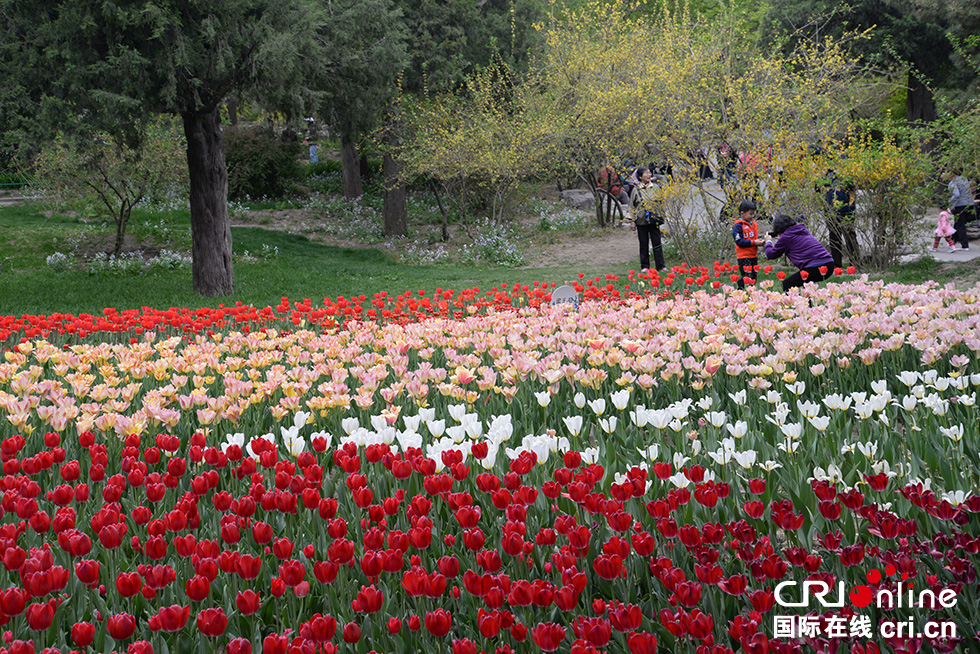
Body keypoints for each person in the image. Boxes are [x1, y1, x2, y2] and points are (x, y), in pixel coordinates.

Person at [764, 214, 836, 292]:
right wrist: (782, 239)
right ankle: (808, 303)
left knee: (788, 284)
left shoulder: (786, 237)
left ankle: (796, 303)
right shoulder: (802, 231)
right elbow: (795, 241)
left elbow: (770, 254)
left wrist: (768, 242)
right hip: (829, 264)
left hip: (815, 267)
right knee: (808, 286)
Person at [629, 167, 666, 272]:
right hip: (641, 221)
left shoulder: (656, 187)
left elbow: (661, 203)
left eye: (649, 173)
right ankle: (645, 266)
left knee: (657, 243)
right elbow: (632, 206)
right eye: (646, 173)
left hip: (654, 220)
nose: (648, 175)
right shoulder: (636, 190)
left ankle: (661, 266)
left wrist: (661, 216)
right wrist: (632, 221)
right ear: (640, 177)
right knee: (643, 244)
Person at [823, 169, 859, 268]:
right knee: (834, 238)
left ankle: (855, 263)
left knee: (850, 238)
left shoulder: (848, 175)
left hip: (847, 211)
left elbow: (852, 187)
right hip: (831, 212)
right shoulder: (827, 176)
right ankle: (837, 265)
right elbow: (818, 189)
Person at [732, 200, 764, 289]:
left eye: (753, 213)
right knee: (747, 277)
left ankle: (748, 293)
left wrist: (760, 241)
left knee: (753, 278)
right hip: (744, 256)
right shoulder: (738, 226)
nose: (753, 216)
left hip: (753, 255)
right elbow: (739, 241)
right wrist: (754, 242)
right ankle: (738, 290)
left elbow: (753, 238)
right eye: (750, 214)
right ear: (742, 213)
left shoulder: (753, 224)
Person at [947, 171, 973, 250]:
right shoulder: (964, 179)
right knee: (957, 223)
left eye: (945, 172)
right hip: (969, 204)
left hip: (960, 205)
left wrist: (949, 202)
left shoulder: (953, 183)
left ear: (951, 174)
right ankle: (953, 242)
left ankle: (965, 246)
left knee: (960, 225)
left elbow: (956, 194)